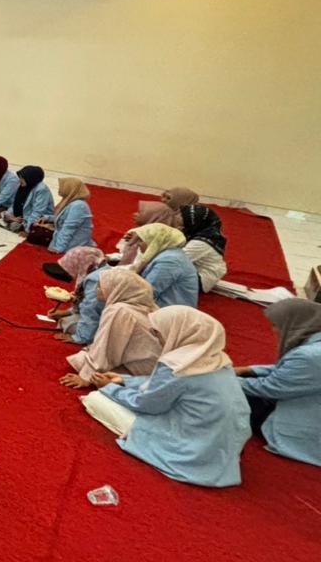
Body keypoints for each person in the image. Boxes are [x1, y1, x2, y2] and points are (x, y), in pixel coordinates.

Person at [82, 306, 251, 487]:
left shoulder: (177, 365)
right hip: (223, 445)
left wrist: (109, 388)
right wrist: (124, 380)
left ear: (177, 331)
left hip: (188, 447)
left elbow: (146, 405)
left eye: (158, 333)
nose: (157, 339)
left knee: (94, 399)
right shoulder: (217, 359)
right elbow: (165, 386)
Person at [235, 299, 321, 467]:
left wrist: (223, 380)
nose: (274, 330)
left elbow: (271, 388)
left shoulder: (309, 356)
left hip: (304, 424)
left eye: (276, 325)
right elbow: (292, 370)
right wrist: (249, 370)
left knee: (224, 396)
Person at [61, 269, 162, 389]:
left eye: (101, 286)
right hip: (157, 368)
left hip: (143, 371)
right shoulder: (147, 306)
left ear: (118, 289)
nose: (97, 289)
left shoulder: (119, 310)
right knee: (82, 357)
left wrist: (85, 377)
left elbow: (106, 347)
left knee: (87, 359)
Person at [133, 223, 200, 308]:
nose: (138, 244)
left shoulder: (170, 260)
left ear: (154, 241)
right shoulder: (167, 255)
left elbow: (146, 293)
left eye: (141, 240)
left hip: (169, 313)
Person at [53, 252, 111, 346]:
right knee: (68, 319)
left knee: (67, 322)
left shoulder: (95, 279)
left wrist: (79, 337)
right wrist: (68, 312)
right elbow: (87, 302)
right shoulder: (103, 269)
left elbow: (91, 310)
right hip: (112, 316)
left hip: (114, 323)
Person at [35, 177, 94, 254]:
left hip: (73, 246)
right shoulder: (71, 201)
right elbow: (64, 218)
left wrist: (58, 248)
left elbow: (68, 229)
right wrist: (47, 218)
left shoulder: (78, 206)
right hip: (66, 240)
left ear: (69, 188)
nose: (59, 188)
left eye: (62, 186)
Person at [179, 204, 228, 292]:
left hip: (202, 278)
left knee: (164, 267)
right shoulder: (200, 231)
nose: (179, 219)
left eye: (183, 220)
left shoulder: (201, 242)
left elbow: (176, 260)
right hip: (192, 268)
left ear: (193, 222)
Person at [0, 166, 53, 233]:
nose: (20, 180)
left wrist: (27, 230)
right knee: (2, 218)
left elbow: (37, 212)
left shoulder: (41, 189)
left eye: (22, 178)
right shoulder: (24, 186)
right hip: (22, 217)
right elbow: (15, 204)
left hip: (37, 219)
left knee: (13, 226)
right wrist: (10, 216)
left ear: (29, 178)